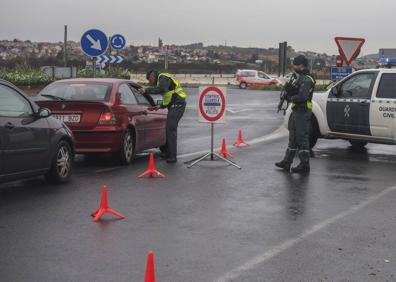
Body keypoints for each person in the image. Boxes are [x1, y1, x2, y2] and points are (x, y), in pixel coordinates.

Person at [275, 55, 316, 173]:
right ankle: (287, 162)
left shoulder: (307, 79)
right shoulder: (299, 77)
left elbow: (302, 96)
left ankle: (304, 164)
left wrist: (291, 97)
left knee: (302, 138)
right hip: (296, 110)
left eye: (295, 65)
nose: (294, 67)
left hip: (303, 111)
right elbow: (295, 91)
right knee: (292, 138)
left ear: (301, 66)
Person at [138, 70, 187, 163]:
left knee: (170, 130)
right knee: (168, 130)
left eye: (149, 80)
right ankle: (169, 153)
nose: (149, 82)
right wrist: (159, 106)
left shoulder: (162, 78)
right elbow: (168, 97)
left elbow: (162, 89)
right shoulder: (162, 79)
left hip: (177, 106)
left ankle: (172, 156)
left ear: (153, 76)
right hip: (174, 105)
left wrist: (146, 90)